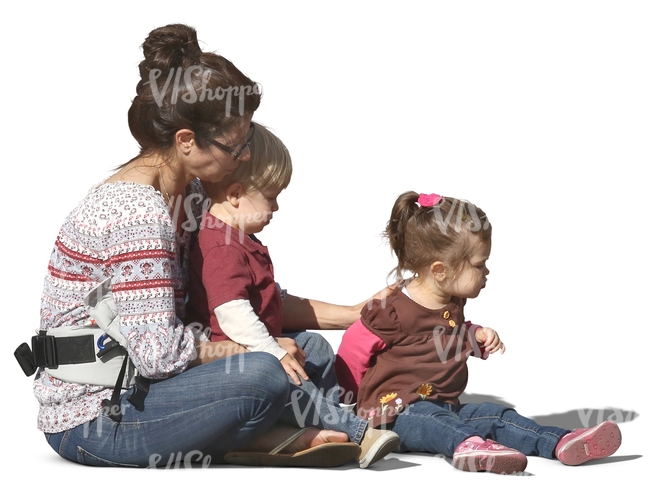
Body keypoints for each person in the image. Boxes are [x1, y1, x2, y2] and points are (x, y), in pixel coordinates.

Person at [22, 23, 367, 468]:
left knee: (308, 348)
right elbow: (158, 355)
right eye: (236, 144)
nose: (245, 155)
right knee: (264, 372)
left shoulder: (194, 196)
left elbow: (240, 295)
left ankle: (276, 431)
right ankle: (277, 434)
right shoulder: (137, 215)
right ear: (186, 141)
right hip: (100, 414)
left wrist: (354, 314)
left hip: (149, 387)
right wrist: (261, 348)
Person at [335, 191, 622, 474]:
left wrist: (475, 336)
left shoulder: (451, 300)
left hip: (447, 406)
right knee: (432, 421)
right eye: (478, 264)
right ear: (441, 270)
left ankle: (559, 441)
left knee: (495, 414)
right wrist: (348, 402)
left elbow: (443, 336)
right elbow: (353, 348)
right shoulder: (392, 310)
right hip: (394, 415)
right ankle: (469, 446)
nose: (487, 272)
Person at [185, 122, 400, 468]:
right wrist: (272, 351)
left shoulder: (239, 236)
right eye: (271, 198)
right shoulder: (221, 246)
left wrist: (354, 312)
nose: (277, 208)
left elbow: (269, 301)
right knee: (290, 377)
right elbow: (232, 312)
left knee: (313, 346)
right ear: (236, 193)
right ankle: (360, 432)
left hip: (257, 345)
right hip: (232, 360)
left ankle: (333, 411)